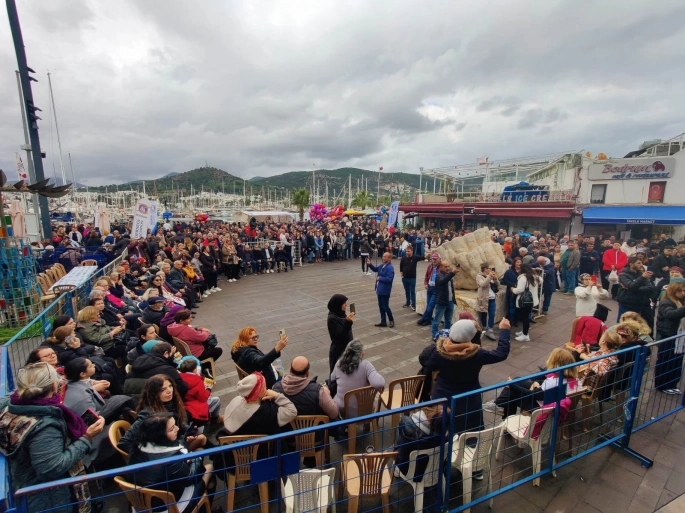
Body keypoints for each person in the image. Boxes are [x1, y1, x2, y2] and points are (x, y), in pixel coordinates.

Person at [0, 363, 105, 513]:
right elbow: (51, 468)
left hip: (30, 488)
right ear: (54, 387)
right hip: (52, 499)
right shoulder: (45, 425)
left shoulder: (12, 405)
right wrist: (87, 437)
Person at [420, 318, 510, 434]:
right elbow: (501, 353)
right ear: (470, 337)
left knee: (445, 428)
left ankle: (447, 445)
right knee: (470, 429)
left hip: (443, 397)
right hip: (469, 398)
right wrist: (504, 330)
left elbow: (427, 366)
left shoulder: (439, 351)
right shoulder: (477, 354)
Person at [127, 413, 214, 513]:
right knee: (209, 468)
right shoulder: (171, 458)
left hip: (140, 505)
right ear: (160, 435)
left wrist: (184, 445)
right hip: (168, 508)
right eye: (172, 428)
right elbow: (191, 478)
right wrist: (195, 457)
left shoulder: (137, 447)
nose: (177, 428)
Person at [118, 374, 205, 455]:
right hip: (163, 452)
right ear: (154, 393)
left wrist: (190, 432)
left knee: (200, 442)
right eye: (163, 389)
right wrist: (147, 457)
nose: (169, 391)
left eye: (170, 386)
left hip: (173, 443)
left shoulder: (170, 403)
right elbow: (124, 442)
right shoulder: (147, 414)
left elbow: (177, 424)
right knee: (201, 442)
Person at [484, 348, 579, 418]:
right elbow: (543, 388)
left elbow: (532, 395)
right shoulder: (571, 379)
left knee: (513, 392)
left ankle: (502, 409)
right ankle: (499, 405)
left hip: (542, 408)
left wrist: (511, 385)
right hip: (551, 401)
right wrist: (537, 382)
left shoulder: (553, 382)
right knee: (517, 380)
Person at [62, 358, 135, 423]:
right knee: (123, 400)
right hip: (93, 422)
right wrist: (94, 389)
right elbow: (92, 419)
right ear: (83, 374)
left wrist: (94, 382)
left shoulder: (74, 382)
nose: (94, 365)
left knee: (123, 405)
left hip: (96, 410)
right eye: (90, 366)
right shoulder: (82, 396)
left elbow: (86, 381)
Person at [222, 372, 297, 435]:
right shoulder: (267, 413)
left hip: (236, 449)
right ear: (259, 392)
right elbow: (292, 411)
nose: (266, 388)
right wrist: (277, 396)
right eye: (264, 387)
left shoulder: (235, 401)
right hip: (262, 450)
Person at [329, 340, 385, 417]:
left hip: (343, 410)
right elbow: (379, 383)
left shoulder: (339, 363)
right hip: (364, 410)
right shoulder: (366, 365)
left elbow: (332, 379)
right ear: (360, 354)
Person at [273, 356, 339, 420]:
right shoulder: (318, 392)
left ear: (290, 370)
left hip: (287, 430)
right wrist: (327, 394)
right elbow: (334, 414)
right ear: (307, 374)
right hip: (313, 430)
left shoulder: (275, 389)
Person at [394, 404, 445, 478]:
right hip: (432, 472)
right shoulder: (441, 439)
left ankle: (397, 465)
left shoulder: (405, 422)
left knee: (400, 436)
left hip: (405, 469)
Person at [655, 281, 685, 394]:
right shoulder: (666, 302)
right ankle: (663, 385)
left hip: (679, 337)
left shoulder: (680, 302)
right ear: (673, 291)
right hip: (668, 335)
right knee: (666, 361)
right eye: (679, 291)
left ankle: (673, 383)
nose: (682, 293)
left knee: (677, 361)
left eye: (684, 291)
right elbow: (670, 314)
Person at [178, 357, 223, 426]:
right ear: (194, 370)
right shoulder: (197, 381)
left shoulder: (179, 377)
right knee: (216, 400)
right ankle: (215, 419)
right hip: (194, 408)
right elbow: (203, 398)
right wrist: (208, 389)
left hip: (184, 405)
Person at [616, 256, 655, 323]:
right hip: (627, 304)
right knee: (623, 324)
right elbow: (631, 287)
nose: (641, 265)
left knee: (635, 325)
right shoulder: (623, 275)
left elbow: (650, 287)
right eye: (638, 263)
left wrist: (635, 289)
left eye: (641, 263)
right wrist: (642, 278)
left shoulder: (641, 274)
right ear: (631, 264)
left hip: (639, 304)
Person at [326, 294, 355, 374]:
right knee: (337, 373)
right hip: (339, 350)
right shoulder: (332, 318)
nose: (346, 305)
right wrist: (347, 322)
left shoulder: (341, 314)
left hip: (347, 348)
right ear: (338, 305)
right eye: (344, 303)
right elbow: (340, 334)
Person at [511, 264, 540, 342]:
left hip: (524, 301)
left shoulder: (523, 278)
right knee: (526, 316)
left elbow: (520, 289)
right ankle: (524, 331)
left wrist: (513, 289)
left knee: (525, 318)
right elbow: (541, 280)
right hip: (532, 300)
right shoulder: (535, 276)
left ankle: (525, 335)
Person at [431, 261, 458, 342]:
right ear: (441, 267)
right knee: (437, 320)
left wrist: (453, 299)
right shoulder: (439, 275)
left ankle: (447, 334)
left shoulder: (448, 275)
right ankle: (434, 334)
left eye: (448, 266)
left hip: (450, 301)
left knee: (448, 320)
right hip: (441, 301)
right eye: (446, 267)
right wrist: (452, 273)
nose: (448, 268)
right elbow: (443, 281)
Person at [367, 252, 395, 328]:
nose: (383, 258)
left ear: (389, 258)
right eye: (383, 256)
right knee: (380, 306)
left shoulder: (390, 268)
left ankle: (391, 320)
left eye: (385, 257)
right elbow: (376, 269)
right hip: (379, 290)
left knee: (385, 306)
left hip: (385, 291)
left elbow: (389, 279)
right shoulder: (382, 265)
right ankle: (383, 321)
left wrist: (380, 278)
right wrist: (369, 264)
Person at [476, 263, 499, 340]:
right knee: (483, 314)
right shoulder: (479, 276)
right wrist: (489, 277)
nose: (491, 269)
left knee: (492, 314)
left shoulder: (491, 276)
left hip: (492, 298)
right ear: (485, 269)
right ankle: (485, 328)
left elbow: (498, 285)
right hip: (484, 299)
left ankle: (490, 330)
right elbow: (483, 284)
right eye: (489, 268)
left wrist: (495, 279)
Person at [417, 254, 441, 326]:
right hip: (430, 287)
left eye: (436, 259)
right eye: (433, 259)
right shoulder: (430, 266)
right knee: (428, 304)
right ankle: (428, 320)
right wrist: (425, 283)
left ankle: (424, 318)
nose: (434, 260)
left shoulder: (441, 267)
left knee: (431, 305)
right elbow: (426, 275)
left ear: (440, 259)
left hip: (436, 289)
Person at [400, 245, 423, 311]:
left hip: (412, 278)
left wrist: (428, 255)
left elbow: (422, 257)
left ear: (412, 251)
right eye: (406, 251)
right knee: (407, 291)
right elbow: (401, 267)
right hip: (405, 278)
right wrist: (402, 275)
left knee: (412, 291)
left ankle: (413, 304)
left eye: (408, 251)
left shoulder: (415, 257)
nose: (407, 252)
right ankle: (408, 302)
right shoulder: (403, 258)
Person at [501, 258, 521, 326]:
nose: (519, 264)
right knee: (512, 306)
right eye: (517, 262)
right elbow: (505, 280)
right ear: (514, 263)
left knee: (518, 307)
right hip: (511, 292)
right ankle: (511, 320)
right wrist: (513, 284)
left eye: (520, 262)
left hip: (520, 292)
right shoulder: (509, 272)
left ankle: (517, 320)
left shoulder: (523, 272)